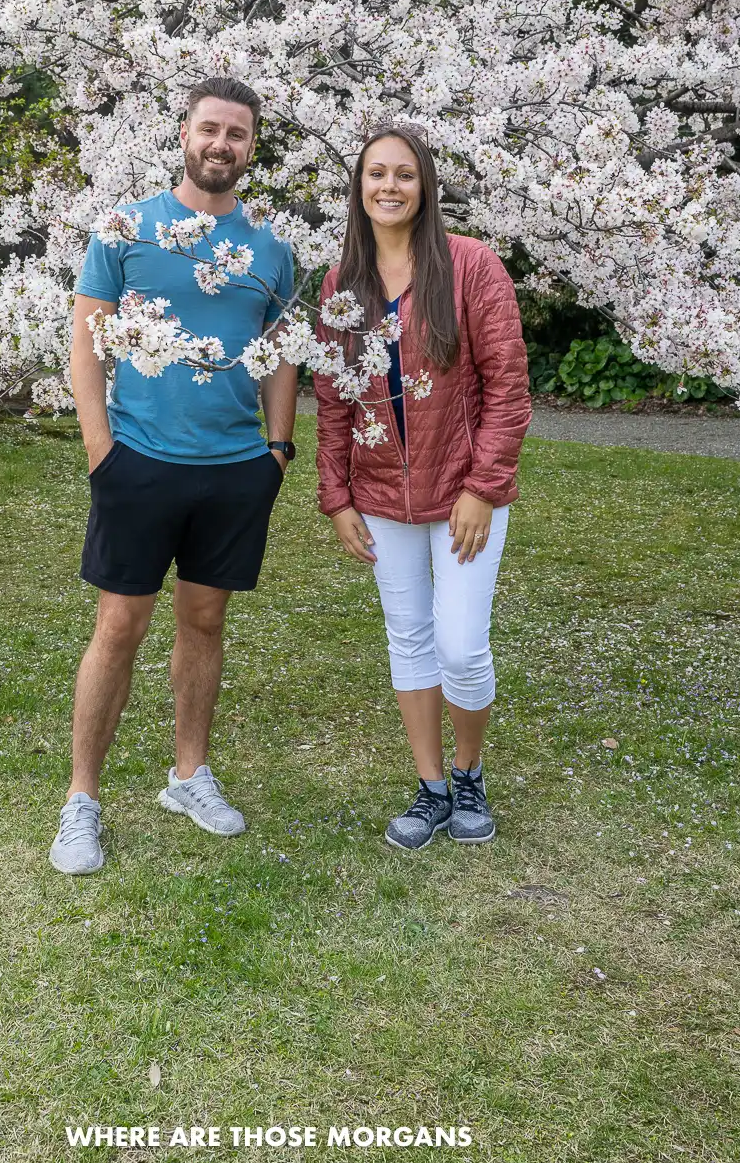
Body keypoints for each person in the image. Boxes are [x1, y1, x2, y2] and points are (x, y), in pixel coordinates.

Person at [50, 77, 298, 876]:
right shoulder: (128, 230)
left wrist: (279, 448)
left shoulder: (271, 249)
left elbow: (282, 352)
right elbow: (86, 339)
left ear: (251, 148)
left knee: (205, 622)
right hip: (140, 463)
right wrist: (100, 450)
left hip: (234, 470)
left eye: (237, 134)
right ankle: (81, 801)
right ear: (184, 135)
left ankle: (188, 775)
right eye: (209, 129)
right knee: (118, 627)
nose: (221, 144)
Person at [314, 123, 530, 851]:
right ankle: (432, 786)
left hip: (464, 492)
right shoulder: (344, 285)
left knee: (462, 646)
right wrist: (337, 497)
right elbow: (335, 403)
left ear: (426, 185)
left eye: (404, 175)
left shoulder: (471, 267)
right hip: (381, 496)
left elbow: (508, 388)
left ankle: (470, 771)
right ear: (359, 187)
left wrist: (484, 485)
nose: (389, 187)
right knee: (409, 639)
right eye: (376, 174)